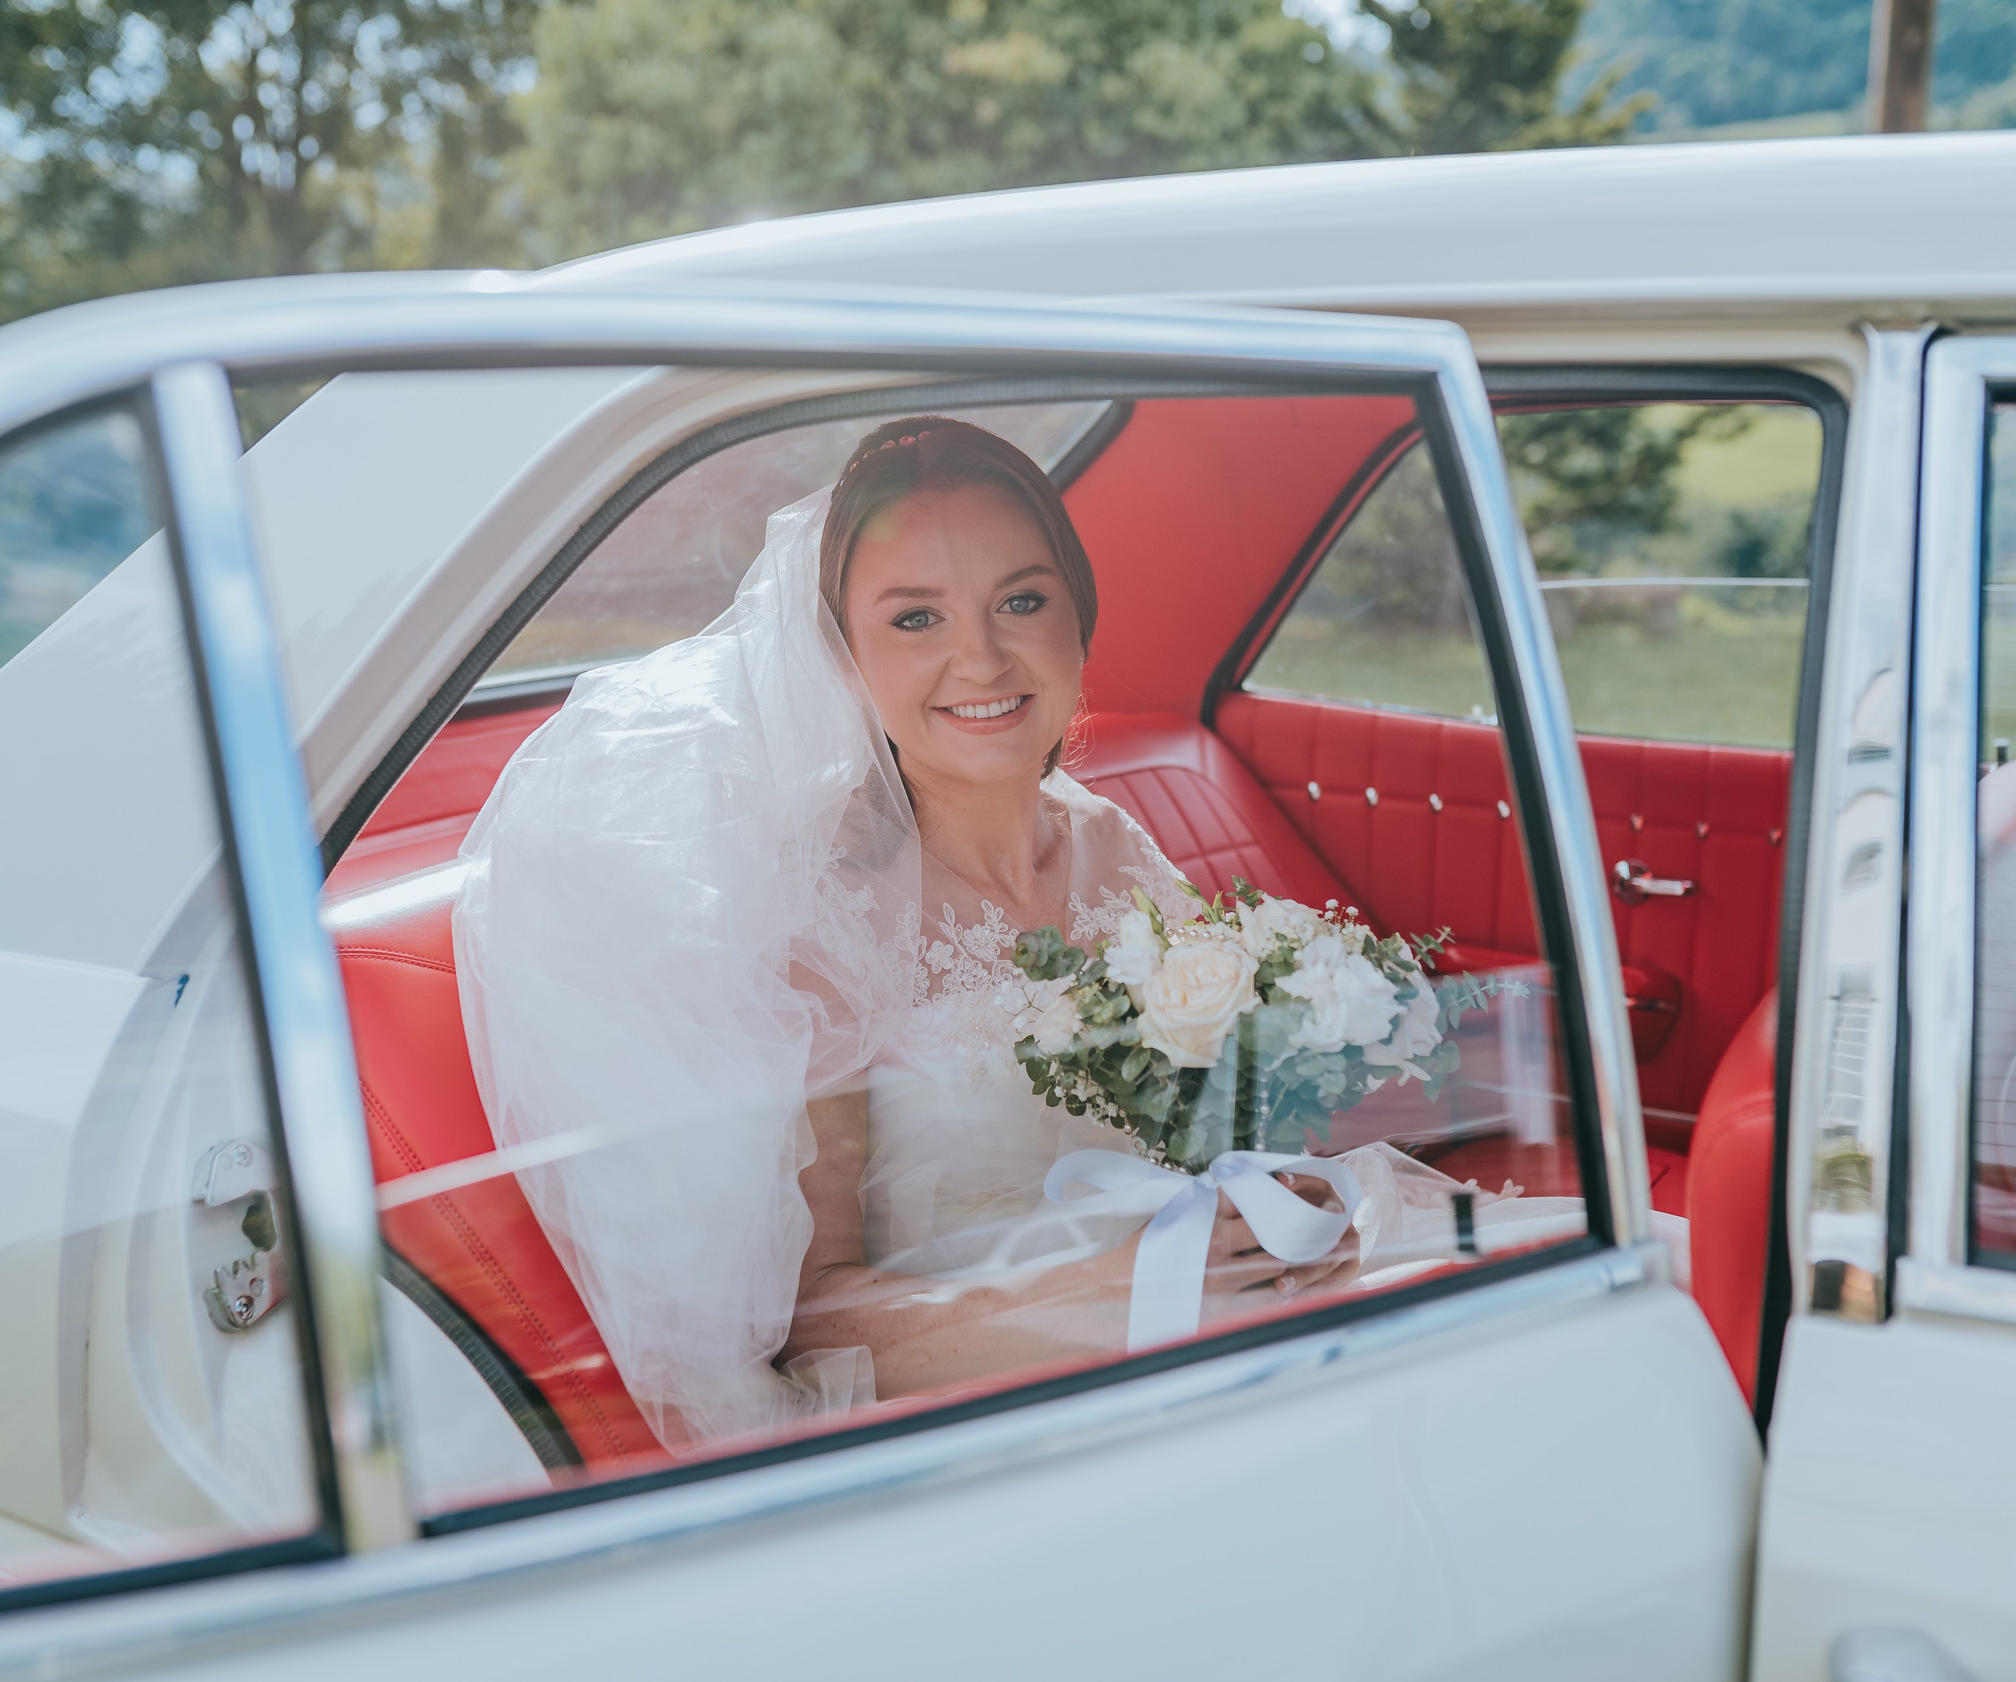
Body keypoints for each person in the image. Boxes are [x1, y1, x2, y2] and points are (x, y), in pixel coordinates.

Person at [456, 417, 1550, 1456]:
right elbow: (808, 1328)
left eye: (1019, 601)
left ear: (1077, 624)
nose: (979, 659)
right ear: (842, 659)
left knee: (1563, 1319)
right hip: (1023, 1377)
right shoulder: (821, 925)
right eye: (916, 618)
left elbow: (1207, 1118)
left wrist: (1271, 1202)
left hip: (1216, 1307)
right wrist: (1095, 1291)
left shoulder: (1109, 843)